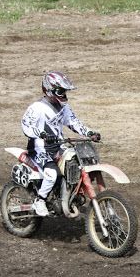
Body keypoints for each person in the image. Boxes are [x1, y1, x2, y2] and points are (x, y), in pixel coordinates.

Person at [21, 71, 100, 217]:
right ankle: (40, 200)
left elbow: (74, 123)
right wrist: (42, 134)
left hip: (58, 145)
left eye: (64, 91)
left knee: (76, 162)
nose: (63, 94)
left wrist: (89, 133)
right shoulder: (37, 107)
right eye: (60, 91)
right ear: (49, 90)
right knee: (52, 174)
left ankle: (68, 194)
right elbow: (26, 125)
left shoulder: (64, 108)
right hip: (40, 148)